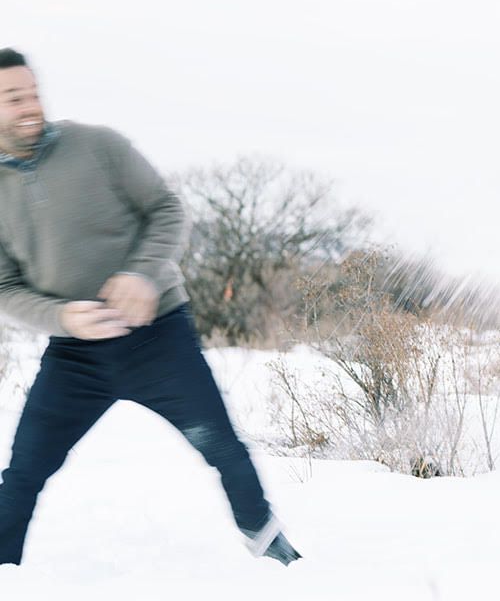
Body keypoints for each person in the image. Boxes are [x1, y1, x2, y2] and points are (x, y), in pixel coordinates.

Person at [0, 47, 300, 565]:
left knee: (223, 447)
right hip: (75, 354)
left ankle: (278, 557)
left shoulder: (98, 146)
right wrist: (61, 316)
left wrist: (142, 273)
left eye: (33, 93)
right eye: (13, 98)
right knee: (24, 470)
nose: (30, 106)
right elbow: (6, 288)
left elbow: (167, 209)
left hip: (159, 336)